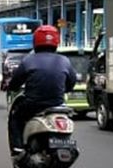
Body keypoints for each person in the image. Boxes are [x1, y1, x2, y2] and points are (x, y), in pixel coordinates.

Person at [6, 25, 76, 155]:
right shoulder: (64, 60)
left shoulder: (28, 60)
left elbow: (15, 83)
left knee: (15, 117)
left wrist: (10, 87)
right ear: (56, 42)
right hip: (57, 104)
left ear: (35, 42)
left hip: (33, 105)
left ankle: (18, 148)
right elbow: (71, 83)